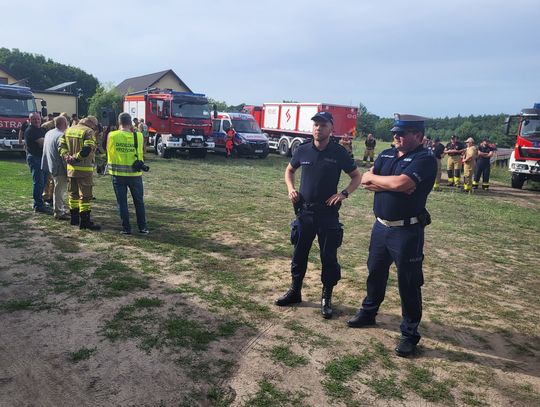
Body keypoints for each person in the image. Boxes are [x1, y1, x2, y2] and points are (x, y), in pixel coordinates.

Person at [347, 114, 437, 357]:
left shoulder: (425, 159)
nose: (396, 136)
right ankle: (369, 312)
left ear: (418, 136)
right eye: (395, 132)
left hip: (407, 231)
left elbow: (401, 184)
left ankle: (409, 333)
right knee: (375, 271)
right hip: (381, 227)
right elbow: (366, 180)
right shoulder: (386, 154)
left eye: (402, 133)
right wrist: (392, 183)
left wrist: (390, 183)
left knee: (409, 281)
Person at [275, 111, 362, 319]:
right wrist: (290, 189)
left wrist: (343, 194)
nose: (318, 128)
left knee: (328, 257)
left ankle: (326, 298)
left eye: (323, 125)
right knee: (299, 254)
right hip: (305, 212)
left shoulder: (339, 152)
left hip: (327, 214)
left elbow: (356, 176)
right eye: (315, 124)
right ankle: (295, 291)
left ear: (331, 129)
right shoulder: (303, 150)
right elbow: (289, 171)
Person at [107, 113, 148, 235]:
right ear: (130, 123)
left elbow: (108, 149)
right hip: (135, 174)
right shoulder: (138, 136)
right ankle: (143, 227)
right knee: (139, 201)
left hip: (118, 174)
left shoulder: (112, 135)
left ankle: (126, 228)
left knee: (122, 202)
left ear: (119, 122)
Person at [59, 116, 101, 230]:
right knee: (85, 196)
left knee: (73, 194)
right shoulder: (88, 131)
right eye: (95, 125)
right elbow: (87, 149)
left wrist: (66, 156)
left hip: (71, 169)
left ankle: (74, 219)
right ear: (91, 123)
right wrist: (76, 158)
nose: (95, 127)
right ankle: (85, 221)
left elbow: (61, 146)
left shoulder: (69, 129)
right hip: (84, 169)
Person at [41, 116, 69, 220]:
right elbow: (63, 155)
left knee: (56, 189)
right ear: (65, 124)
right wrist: (68, 170)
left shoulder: (49, 133)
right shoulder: (61, 136)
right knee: (59, 190)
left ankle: (58, 208)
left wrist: (45, 165)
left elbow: (45, 150)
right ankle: (59, 212)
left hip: (50, 165)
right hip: (59, 168)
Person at [24, 112, 50, 213]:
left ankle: (39, 202)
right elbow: (43, 143)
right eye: (34, 119)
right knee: (38, 182)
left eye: (38, 119)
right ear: (29, 120)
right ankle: (38, 205)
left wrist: (45, 141)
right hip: (35, 158)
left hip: (42, 158)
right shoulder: (31, 130)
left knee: (43, 182)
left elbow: (44, 142)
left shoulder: (41, 129)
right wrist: (45, 141)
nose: (36, 120)